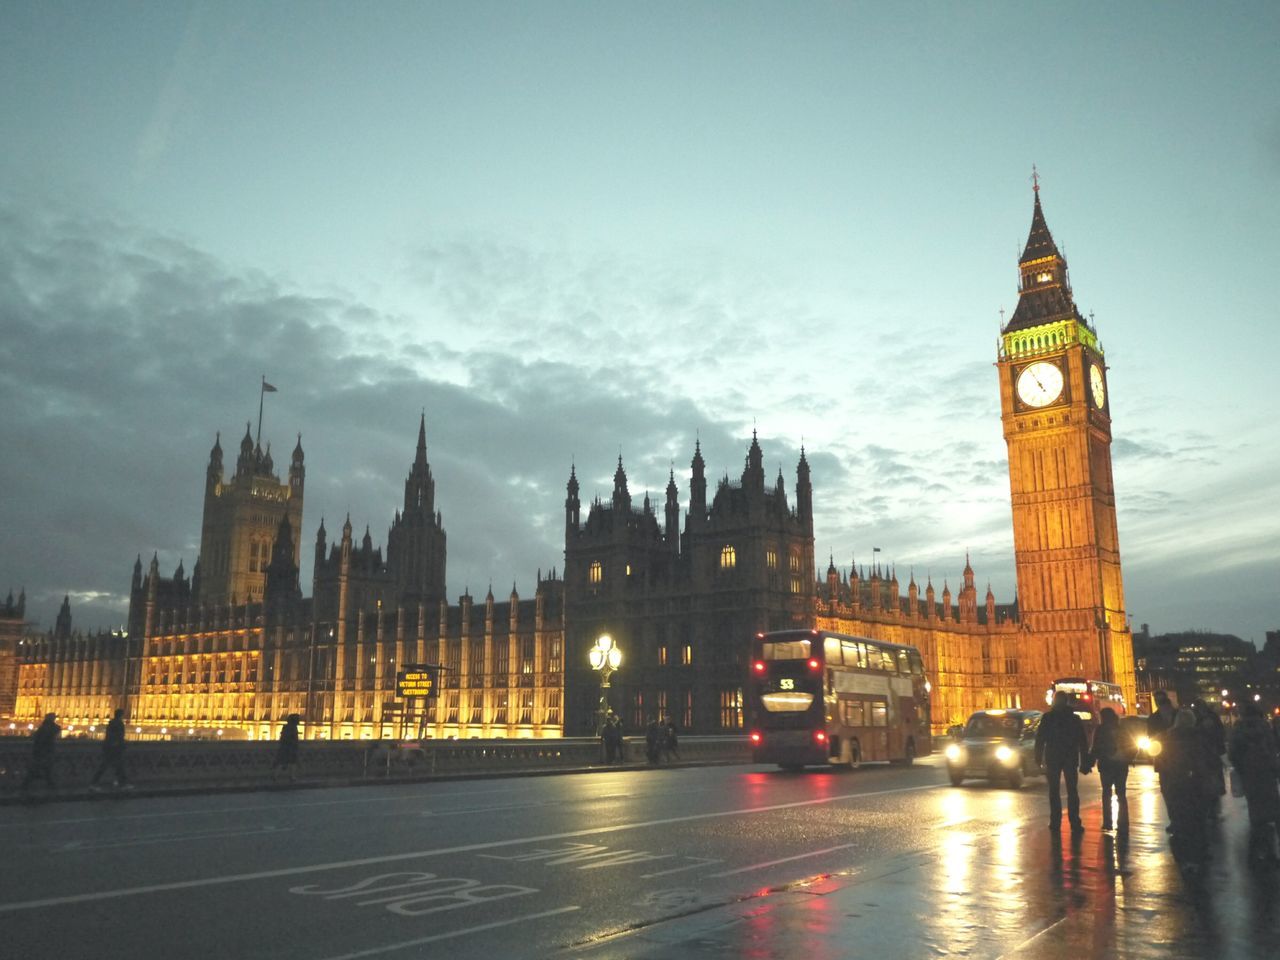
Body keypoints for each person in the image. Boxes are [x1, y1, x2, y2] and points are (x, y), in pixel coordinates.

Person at [1162, 708, 1217, 873]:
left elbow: (1160, 762)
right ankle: (1200, 852)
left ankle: (1184, 856)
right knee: (1198, 819)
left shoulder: (1167, 737)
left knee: (1180, 820)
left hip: (1175, 783)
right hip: (1197, 783)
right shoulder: (1200, 736)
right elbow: (1210, 759)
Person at [1228, 701, 1280, 866]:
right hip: (1267, 774)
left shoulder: (1239, 729)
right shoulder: (1264, 728)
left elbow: (1233, 754)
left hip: (1249, 775)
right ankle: (1268, 851)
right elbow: (1273, 749)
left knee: (1256, 814)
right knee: (1271, 813)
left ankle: (1256, 853)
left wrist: (1241, 767)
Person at [1035, 691, 1090, 834]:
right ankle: (1075, 822)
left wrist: (1038, 758)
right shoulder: (1074, 719)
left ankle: (1055, 821)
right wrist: (1084, 761)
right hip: (1070, 757)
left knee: (1054, 791)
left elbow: (1040, 739)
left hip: (1053, 757)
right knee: (1072, 791)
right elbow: (1082, 742)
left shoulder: (1048, 718)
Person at [1088, 707, 1130, 832]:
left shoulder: (1101, 729)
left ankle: (1107, 822)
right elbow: (1131, 745)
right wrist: (1128, 758)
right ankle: (1123, 822)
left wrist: (1089, 762)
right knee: (1121, 793)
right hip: (1121, 764)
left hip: (1106, 764)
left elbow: (1095, 747)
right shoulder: (1122, 729)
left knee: (1106, 793)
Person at [1191, 699, 1227, 820]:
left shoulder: (1196, 718)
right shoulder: (1209, 717)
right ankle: (1210, 808)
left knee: (1209, 782)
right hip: (1209, 754)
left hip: (1207, 754)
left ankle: (1209, 808)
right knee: (1210, 782)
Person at [90, 708, 132, 790]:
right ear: (120, 715)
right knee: (112, 767)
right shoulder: (118, 723)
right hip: (114, 748)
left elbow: (111, 735)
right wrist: (120, 743)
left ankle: (120, 782)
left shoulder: (112, 723)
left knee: (113, 767)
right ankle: (121, 783)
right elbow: (119, 736)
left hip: (110, 747)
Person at [21, 713, 61, 793]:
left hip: (40, 752)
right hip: (45, 752)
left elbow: (36, 737)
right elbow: (55, 730)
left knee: (40, 769)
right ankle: (49, 785)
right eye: (53, 718)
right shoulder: (49, 728)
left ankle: (27, 785)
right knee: (43, 769)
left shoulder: (43, 727)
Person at [273, 713, 302, 780]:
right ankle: (291, 776)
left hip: (285, 748)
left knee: (282, 762)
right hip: (290, 748)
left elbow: (283, 738)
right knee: (292, 763)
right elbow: (293, 739)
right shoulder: (293, 728)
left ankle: (276, 776)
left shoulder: (286, 727)